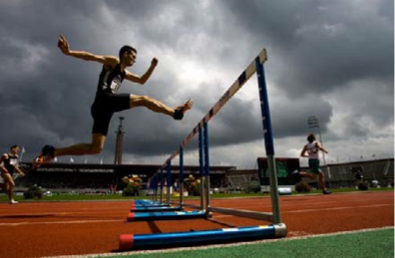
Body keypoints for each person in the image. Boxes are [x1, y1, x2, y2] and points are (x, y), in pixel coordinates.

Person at [33, 35, 193, 168]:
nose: (135, 60)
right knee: (144, 99)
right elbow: (90, 57)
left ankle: (53, 152)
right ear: (124, 54)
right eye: (133, 56)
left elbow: (142, 80)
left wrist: (152, 67)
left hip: (102, 108)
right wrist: (68, 52)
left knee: (96, 148)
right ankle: (174, 113)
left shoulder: (124, 73)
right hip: (104, 98)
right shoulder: (113, 62)